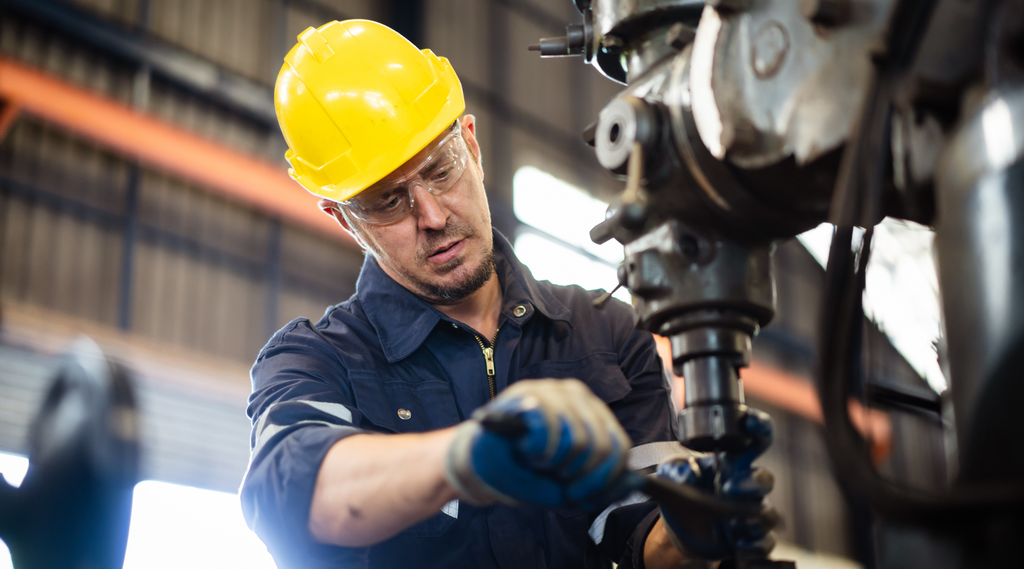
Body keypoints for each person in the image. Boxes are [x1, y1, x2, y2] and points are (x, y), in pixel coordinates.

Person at [240, 19, 770, 569]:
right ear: (345, 220)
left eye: (441, 170)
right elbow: (290, 495)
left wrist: (695, 528)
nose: (434, 216)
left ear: (471, 144)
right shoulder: (318, 359)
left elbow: (639, 539)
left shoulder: (606, 332)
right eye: (388, 203)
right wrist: (465, 458)